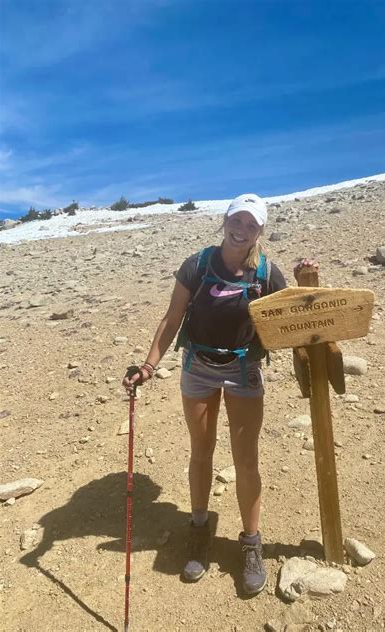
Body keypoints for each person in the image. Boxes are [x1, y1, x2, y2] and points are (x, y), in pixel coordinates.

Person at [123, 193, 316, 595]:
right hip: (198, 369)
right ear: (225, 220)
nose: (241, 229)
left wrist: (305, 283)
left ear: (260, 231)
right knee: (201, 452)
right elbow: (172, 317)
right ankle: (199, 528)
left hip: (243, 371)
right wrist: (148, 365)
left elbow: (294, 319)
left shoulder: (265, 272)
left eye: (251, 224)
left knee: (246, 461)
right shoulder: (197, 265)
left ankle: (251, 542)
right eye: (237, 220)